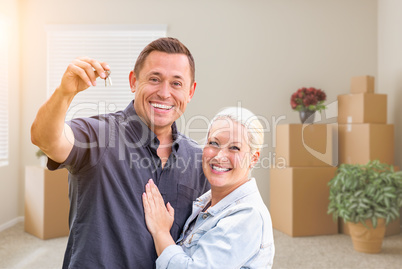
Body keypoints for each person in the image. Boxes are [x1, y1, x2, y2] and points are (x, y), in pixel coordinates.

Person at [30, 37, 210, 269]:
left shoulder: (198, 159)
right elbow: (45, 138)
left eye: (176, 83)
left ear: (190, 92)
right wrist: (65, 93)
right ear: (133, 81)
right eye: (154, 79)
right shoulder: (98, 134)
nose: (165, 93)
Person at [143, 107, 275, 268]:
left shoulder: (248, 216)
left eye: (234, 148)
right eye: (214, 143)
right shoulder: (205, 203)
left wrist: (161, 232)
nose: (219, 156)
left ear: (253, 159)